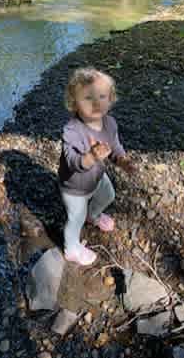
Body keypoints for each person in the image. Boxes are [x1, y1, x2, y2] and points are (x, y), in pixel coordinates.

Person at [58, 67, 135, 266]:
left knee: (108, 195)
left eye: (102, 96)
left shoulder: (110, 123)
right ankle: (71, 248)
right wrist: (91, 156)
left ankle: (93, 215)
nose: (96, 103)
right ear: (74, 103)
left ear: (111, 99)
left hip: (97, 176)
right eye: (87, 98)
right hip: (74, 186)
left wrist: (122, 160)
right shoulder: (71, 131)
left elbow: (115, 146)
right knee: (76, 217)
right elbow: (73, 161)